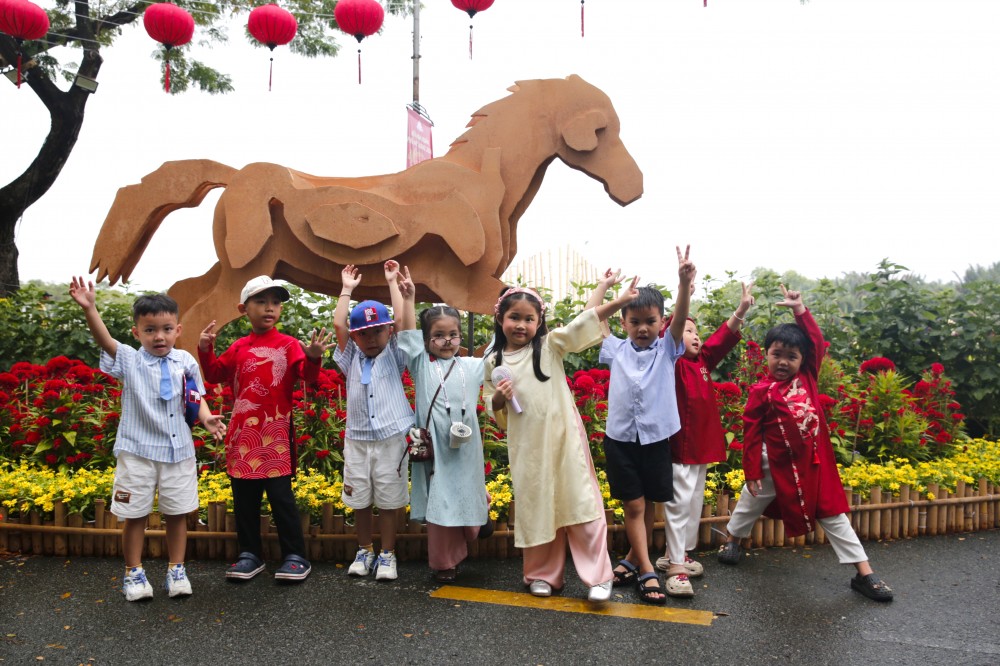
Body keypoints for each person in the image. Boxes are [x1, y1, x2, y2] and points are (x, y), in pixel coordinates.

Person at [717, 285, 894, 602]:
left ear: (803, 360)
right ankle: (732, 540)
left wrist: (799, 309)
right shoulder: (761, 391)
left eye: (792, 356)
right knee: (749, 503)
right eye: (777, 354)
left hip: (814, 467)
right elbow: (752, 433)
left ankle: (864, 573)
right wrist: (752, 471)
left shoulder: (808, 377)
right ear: (767, 355)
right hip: (773, 466)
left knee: (834, 516)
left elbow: (815, 340)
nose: (783, 362)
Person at [483, 274, 639, 604]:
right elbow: (491, 407)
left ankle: (598, 577)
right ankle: (541, 575)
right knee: (537, 505)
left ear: (540, 321)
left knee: (580, 502)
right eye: (514, 317)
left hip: (565, 441)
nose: (521, 325)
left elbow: (583, 322)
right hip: (527, 448)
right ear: (500, 318)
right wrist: (497, 399)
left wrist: (614, 297)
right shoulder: (492, 360)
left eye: (529, 318)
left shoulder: (549, 346)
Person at [69, 278, 226, 601]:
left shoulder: (186, 361)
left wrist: (207, 417)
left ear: (177, 330)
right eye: (150, 330)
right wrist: (90, 309)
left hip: (178, 452)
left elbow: (194, 396)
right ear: (136, 332)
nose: (159, 336)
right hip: (137, 452)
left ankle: (176, 570)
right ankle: (134, 573)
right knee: (135, 515)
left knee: (177, 514)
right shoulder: (131, 359)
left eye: (166, 329)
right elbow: (105, 341)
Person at [198, 276, 332, 583]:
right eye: (261, 302)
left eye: (275, 302)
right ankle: (249, 555)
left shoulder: (288, 345)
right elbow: (215, 374)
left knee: (281, 498)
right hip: (242, 434)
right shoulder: (239, 347)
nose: (269, 308)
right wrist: (205, 349)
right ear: (243, 309)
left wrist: (313, 357)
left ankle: (295, 556)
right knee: (244, 499)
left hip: (276, 433)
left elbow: (308, 377)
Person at [599, 246, 695, 604]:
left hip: (655, 439)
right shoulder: (615, 349)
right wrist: (605, 289)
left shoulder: (667, 349)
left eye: (650, 321)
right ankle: (647, 570)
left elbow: (681, 317)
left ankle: (630, 559)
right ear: (623, 322)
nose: (642, 328)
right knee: (635, 506)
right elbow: (592, 318)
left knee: (649, 500)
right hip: (621, 440)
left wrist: (683, 284)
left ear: (661, 322)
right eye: (635, 321)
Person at [391, 262, 491, 583]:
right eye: (438, 335)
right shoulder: (421, 364)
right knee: (440, 502)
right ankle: (444, 563)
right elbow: (406, 334)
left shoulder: (472, 365)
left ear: (460, 336)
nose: (447, 341)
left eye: (453, 334)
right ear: (426, 339)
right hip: (435, 448)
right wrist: (408, 298)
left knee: (467, 494)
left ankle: (478, 516)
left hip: (465, 448)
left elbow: (500, 352)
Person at [653, 281, 755, 597]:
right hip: (680, 448)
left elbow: (723, 337)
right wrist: (684, 292)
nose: (696, 336)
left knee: (693, 502)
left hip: (701, 448)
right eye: (688, 331)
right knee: (678, 504)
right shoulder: (671, 361)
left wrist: (741, 309)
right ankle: (675, 565)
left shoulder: (702, 361)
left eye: (697, 332)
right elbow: (673, 332)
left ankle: (678, 554)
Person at [333, 263, 414, 582]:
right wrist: (346, 289)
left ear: (388, 331)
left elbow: (403, 321)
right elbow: (339, 323)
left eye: (377, 330)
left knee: (389, 500)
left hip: (392, 438)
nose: (371, 338)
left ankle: (387, 554)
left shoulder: (395, 353)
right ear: (354, 336)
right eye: (363, 333)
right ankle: (364, 549)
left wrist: (393, 283)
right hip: (357, 440)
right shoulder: (350, 357)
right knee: (360, 499)